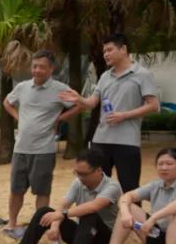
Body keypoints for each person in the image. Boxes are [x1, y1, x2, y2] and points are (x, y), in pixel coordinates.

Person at [59, 33, 160, 193]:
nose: (105, 54)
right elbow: (92, 103)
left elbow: (153, 105)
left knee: (129, 187)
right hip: (101, 140)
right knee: (96, 186)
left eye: (109, 50)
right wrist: (79, 99)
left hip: (127, 141)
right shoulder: (105, 76)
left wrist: (124, 115)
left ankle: (130, 211)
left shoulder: (142, 74)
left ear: (123, 49)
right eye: (104, 51)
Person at [2, 51, 83, 236]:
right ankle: (12, 223)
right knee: (16, 190)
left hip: (44, 150)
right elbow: (7, 102)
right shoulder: (22, 87)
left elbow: (80, 105)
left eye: (42, 67)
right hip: (20, 148)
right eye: (34, 66)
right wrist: (18, 117)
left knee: (42, 191)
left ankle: (37, 228)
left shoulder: (60, 89)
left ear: (51, 69)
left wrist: (60, 119)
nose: (37, 70)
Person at [10, 148, 123, 244]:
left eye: (84, 174)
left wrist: (61, 215)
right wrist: (55, 227)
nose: (80, 177)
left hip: (104, 239)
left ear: (98, 170)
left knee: (88, 214)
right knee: (44, 211)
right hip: (82, 234)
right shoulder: (78, 182)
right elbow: (63, 205)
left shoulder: (112, 186)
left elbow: (93, 206)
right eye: (77, 172)